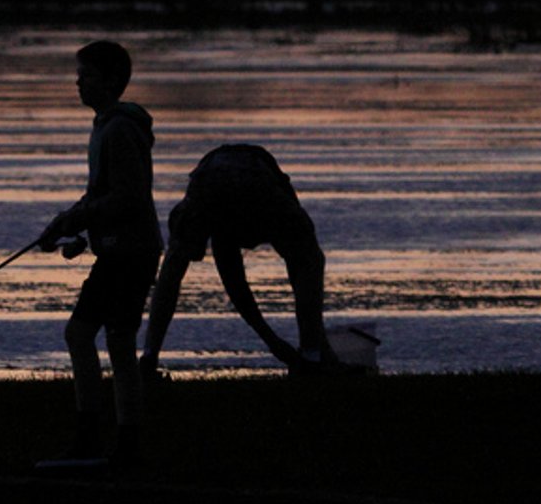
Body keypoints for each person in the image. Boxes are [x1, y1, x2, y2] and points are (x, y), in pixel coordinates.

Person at [37, 40, 162, 465]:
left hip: (129, 252)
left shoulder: (120, 130)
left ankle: (98, 438)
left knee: (86, 335)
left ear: (110, 81)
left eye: (86, 75)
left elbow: (127, 198)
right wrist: (69, 222)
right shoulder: (107, 126)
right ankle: (123, 440)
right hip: (122, 248)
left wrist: (75, 221)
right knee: (117, 341)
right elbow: (102, 194)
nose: (78, 83)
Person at [139, 143, 336, 376]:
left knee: (173, 266)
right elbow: (237, 284)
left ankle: (149, 357)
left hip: (216, 178)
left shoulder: (243, 213)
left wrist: (283, 343)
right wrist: (276, 342)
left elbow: (237, 283)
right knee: (309, 261)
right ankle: (312, 358)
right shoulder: (269, 205)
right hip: (230, 180)